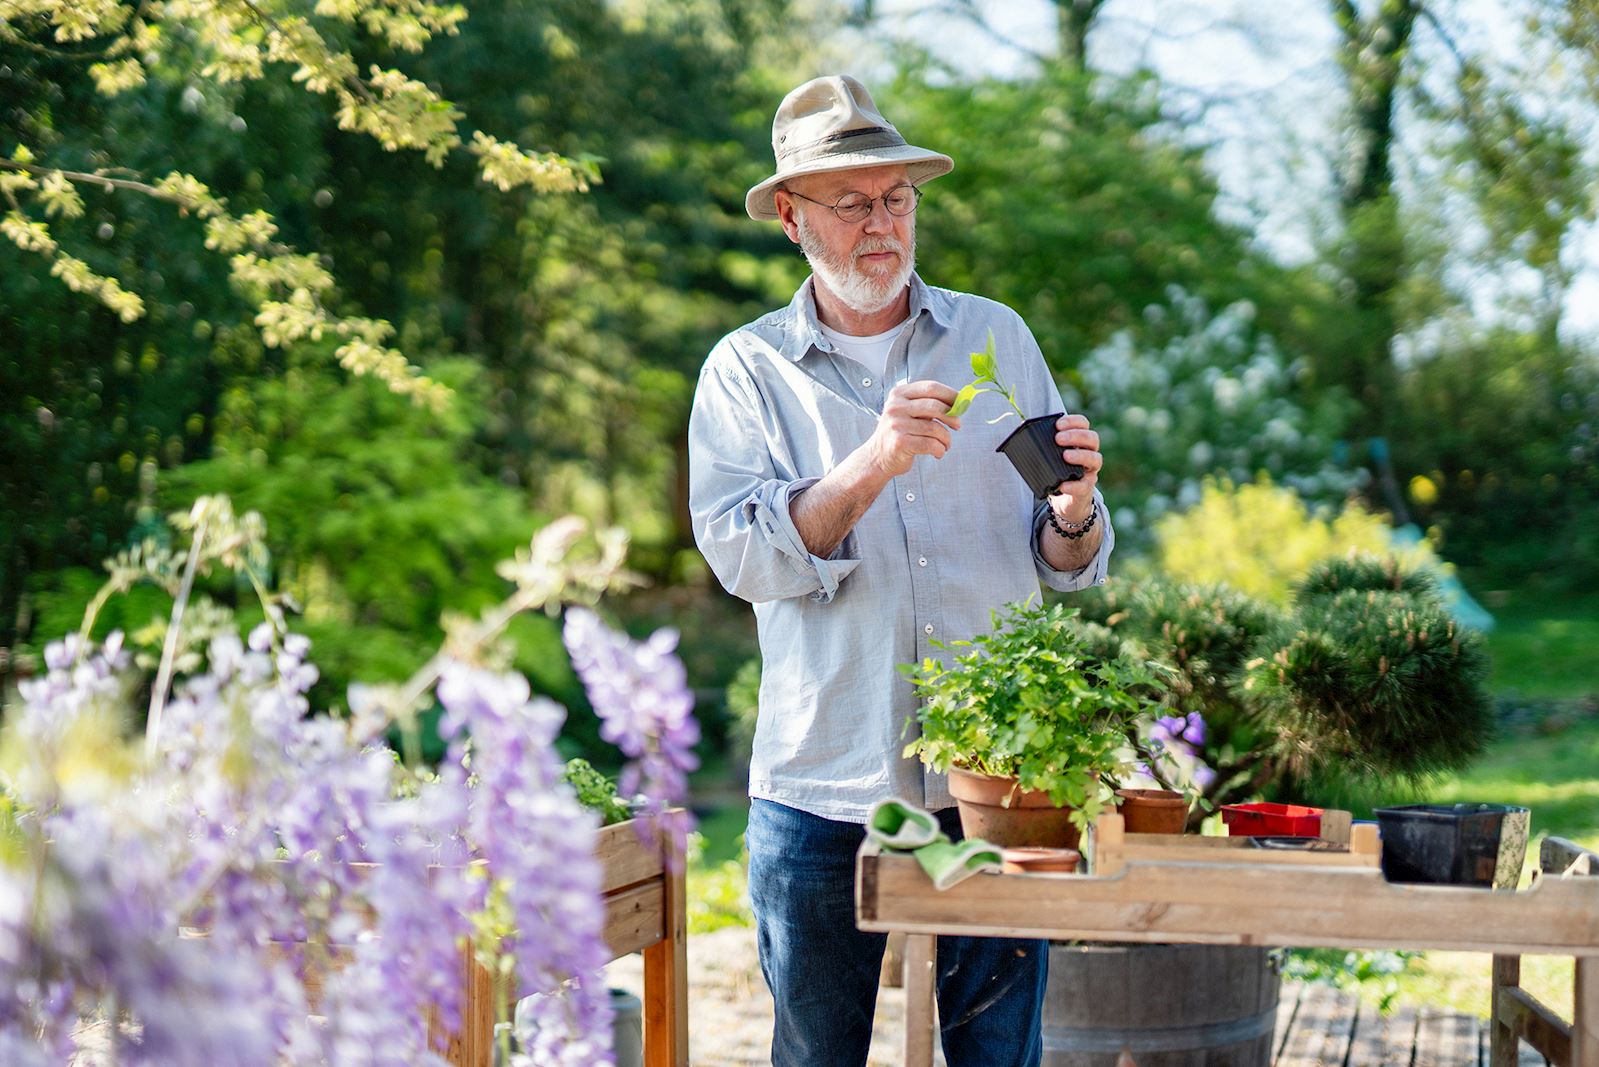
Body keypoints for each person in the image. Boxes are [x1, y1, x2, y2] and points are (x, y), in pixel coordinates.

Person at [687, 74, 1114, 1067]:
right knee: (815, 1052)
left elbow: (1067, 565)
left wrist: (1077, 510)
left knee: (999, 1052)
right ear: (793, 216)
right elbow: (747, 558)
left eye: (897, 199)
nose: (883, 224)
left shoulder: (994, 337)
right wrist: (875, 460)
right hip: (821, 782)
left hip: (999, 779)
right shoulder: (747, 372)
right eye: (852, 202)